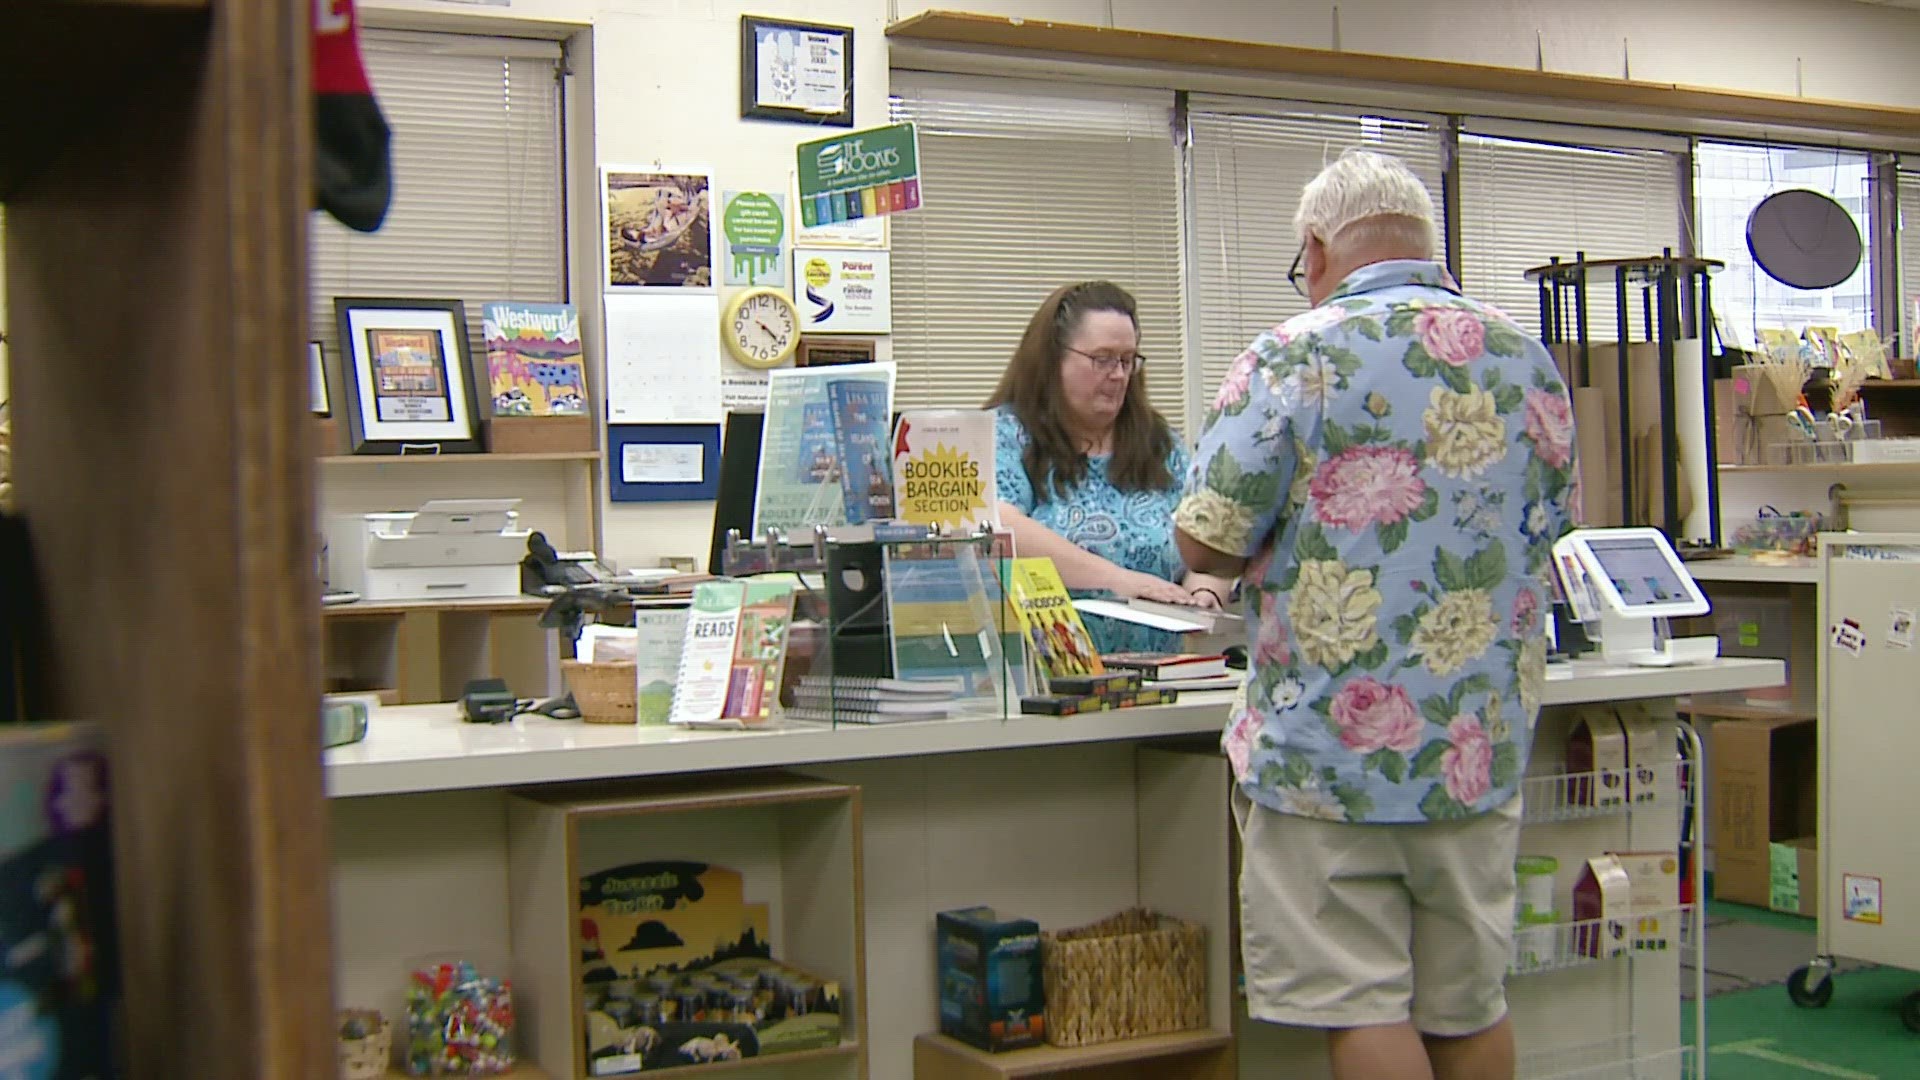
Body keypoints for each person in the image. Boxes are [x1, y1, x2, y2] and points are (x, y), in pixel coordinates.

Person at [1174, 150, 1581, 1080]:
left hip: (1331, 757)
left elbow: (1206, 548)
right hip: (1476, 746)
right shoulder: (1526, 358)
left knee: (1360, 1001)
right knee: (1469, 1001)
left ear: (1317, 250)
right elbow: (1553, 521)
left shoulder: (1290, 357)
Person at [988, 281, 1234, 653]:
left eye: (1128, 360)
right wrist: (1119, 580)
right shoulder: (1005, 435)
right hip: (1050, 682)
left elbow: (1205, 536)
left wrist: (1204, 591)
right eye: (1102, 359)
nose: (1119, 374)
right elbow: (998, 522)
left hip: (1161, 679)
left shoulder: (1160, 444)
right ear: (1054, 358)